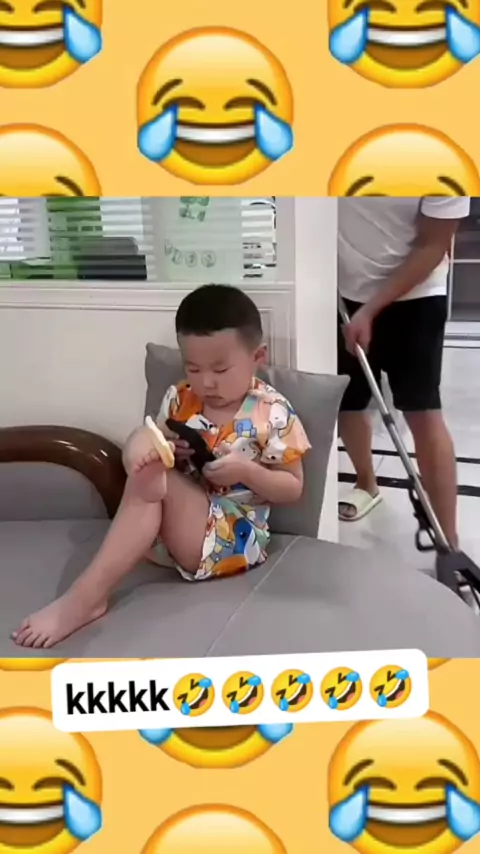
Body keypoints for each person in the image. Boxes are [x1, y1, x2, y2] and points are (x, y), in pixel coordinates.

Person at [12, 284, 311, 648]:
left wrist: (247, 472)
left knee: (156, 477)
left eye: (220, 369)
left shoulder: (273, 412)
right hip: (173, 527)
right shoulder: (181, 397)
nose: (206, 382)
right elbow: (157, 433)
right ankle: (144, 474)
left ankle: (83, 600)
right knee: (146, 446)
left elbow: (294, 487)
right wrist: (166, 449)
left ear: (257, 357)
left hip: (233, 536)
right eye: (194, 368)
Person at [337, 196, 470, 548]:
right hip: (342, 290)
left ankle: (448, 540)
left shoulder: (449, 168)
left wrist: (370, 310)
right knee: (347, 398)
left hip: (417, 294)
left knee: (422, 410)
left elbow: (434, 244)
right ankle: (366, 483)